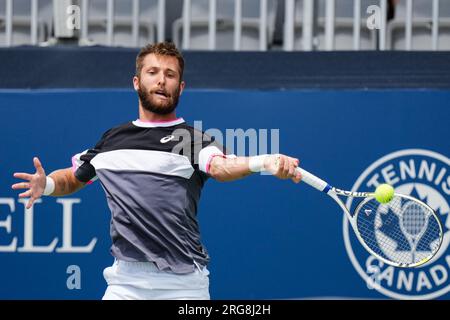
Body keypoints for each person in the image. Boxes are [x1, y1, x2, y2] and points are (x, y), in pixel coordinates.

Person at [11, 42, 302, 300]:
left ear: (181, 87)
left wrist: (262, 162)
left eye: (170, 75)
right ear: (137, 82)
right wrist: (47, 184)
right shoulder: (112, 141)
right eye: (153, 73)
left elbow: (222, 166)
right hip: (125, 283)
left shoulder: (192, 139)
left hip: (183, 285)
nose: (162, 80)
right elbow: (74, 177)